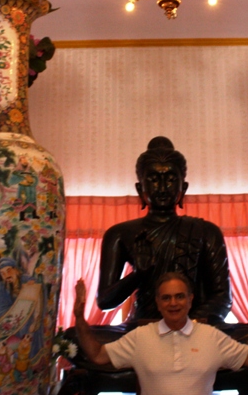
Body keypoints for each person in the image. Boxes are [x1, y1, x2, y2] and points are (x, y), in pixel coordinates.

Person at [75, 272, 248, 395]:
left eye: (179, 296)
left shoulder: (212, 336)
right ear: (158, 303)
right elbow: (97, 355)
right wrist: (79, 318)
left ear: (190, 299)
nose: (173, 303)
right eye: (166, 298)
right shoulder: (140, 337)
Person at [97, 137, 231, 326]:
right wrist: (139, 274)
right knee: (77, 337)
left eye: (170, 180)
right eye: (153, 179)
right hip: (143, 328)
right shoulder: (119, 234)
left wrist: (185, 325)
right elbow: (104, 301)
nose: (161, 188)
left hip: (194, 327)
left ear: (183, 188)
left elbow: (222, 298)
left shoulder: (205, 232)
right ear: (139, 188)